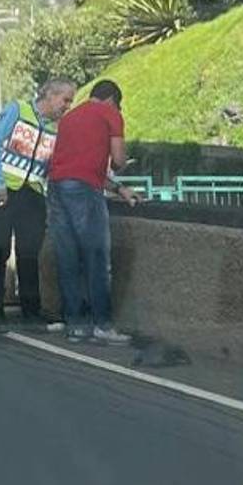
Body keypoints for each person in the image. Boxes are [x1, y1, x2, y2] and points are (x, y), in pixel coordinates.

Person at [46, 79, 140, 345]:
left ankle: (75, 326)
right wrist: (121, 164)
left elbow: (79, 166)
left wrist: (118, 189)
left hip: (56, 187)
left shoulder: (69, 118)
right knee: (97, 257)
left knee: (68, 257)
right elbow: (118, 161)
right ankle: (102, 324)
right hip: (84, 192)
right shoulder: (110, 114)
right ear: (112, 99)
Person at [0, 78, 76, 333]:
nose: (67, 106)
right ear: (50, 95)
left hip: (32, 193)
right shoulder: (17, 110)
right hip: (5, 190)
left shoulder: (56, 129)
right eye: (65, 99)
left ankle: (31, 310)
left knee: (28, 253)